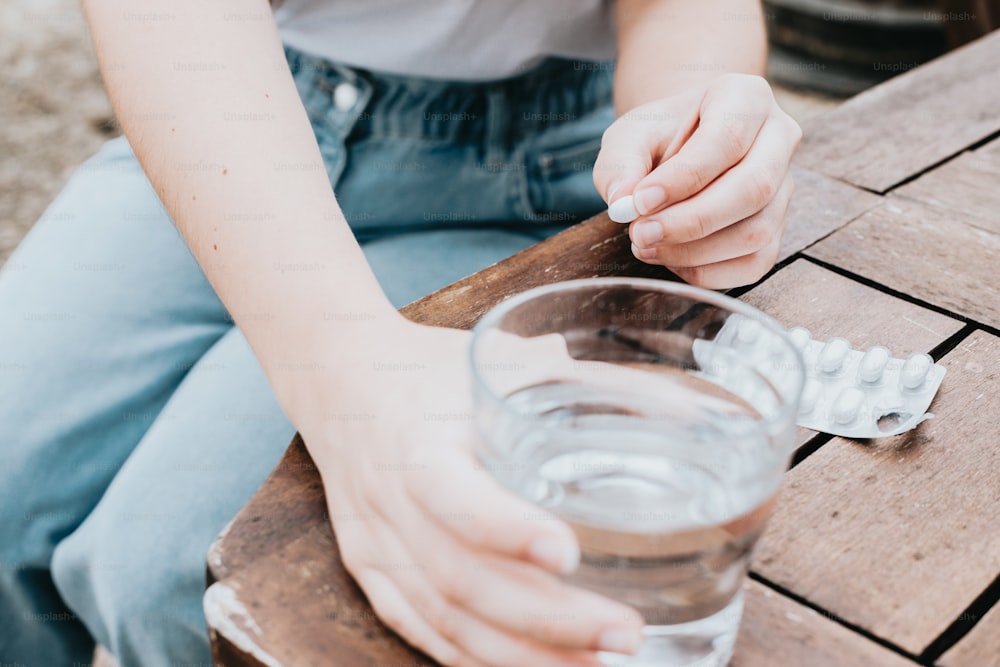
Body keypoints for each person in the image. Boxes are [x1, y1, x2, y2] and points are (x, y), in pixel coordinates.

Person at [0, 0, 800, 665]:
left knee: (182, 570)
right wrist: (346, 368)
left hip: (545, 164)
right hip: (231, 106)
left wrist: (695, 136)